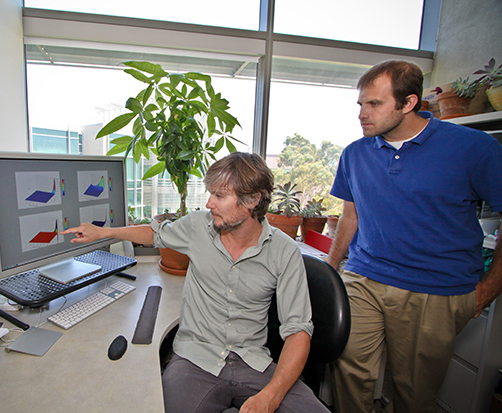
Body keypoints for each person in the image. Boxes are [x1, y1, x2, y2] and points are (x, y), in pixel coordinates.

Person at [62, 152, 328, 413]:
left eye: (220, 196)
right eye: (210, 193)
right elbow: (155, 234)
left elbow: (298, 333)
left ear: (252, 200)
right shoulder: (198, 226)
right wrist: (105, 232)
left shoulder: (285, 251)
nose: (209, 203)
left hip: (254, 364)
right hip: (195, 361)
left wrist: (270, 396)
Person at [327, 60, 502, 412]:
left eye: (374, 104)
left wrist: (488, 288)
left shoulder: (475, 148)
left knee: (413, 391)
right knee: (348, 369)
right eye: (360, 104)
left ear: (409, 103)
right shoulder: (356, 153)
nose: (362, 113)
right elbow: (351, 216)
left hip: (434, 289)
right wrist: (330, 271)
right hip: (364, 277)